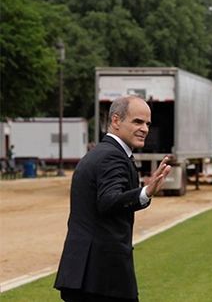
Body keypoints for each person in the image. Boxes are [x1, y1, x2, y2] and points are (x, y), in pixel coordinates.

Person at [54, 95, 171, 302]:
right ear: (116, 121)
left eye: (147, 123)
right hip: (102, 279)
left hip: (85, 274)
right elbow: (108, 201)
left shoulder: (100, 153)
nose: (145, 128)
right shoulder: (112, 156)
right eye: (137, 121)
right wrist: (145, 193)